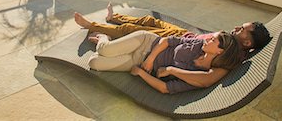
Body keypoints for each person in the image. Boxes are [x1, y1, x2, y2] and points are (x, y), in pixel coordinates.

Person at [74, 4, 271, 88]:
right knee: (149, 20)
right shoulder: (227, 40)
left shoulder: (229, 56)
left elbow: (205, 79)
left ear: (247, 42)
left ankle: (96, 31)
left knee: (128, 30)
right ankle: (112, 18)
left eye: (243, 29)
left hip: (175, 43)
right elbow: (197, 40)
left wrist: (168, 69)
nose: (238, 27)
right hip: (183, 37)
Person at [88, 30, 240, 94]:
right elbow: (168, 40)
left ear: (220, 51)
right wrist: (150, 59)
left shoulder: (198, 74)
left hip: (138, 63)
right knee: (104, 50)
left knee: (94, 62)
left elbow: (165, 88)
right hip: (147, 43)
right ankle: (103, 39)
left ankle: (115, 47)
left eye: (213, 40)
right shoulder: (199, 44)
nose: (208, 38)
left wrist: (141, 72)